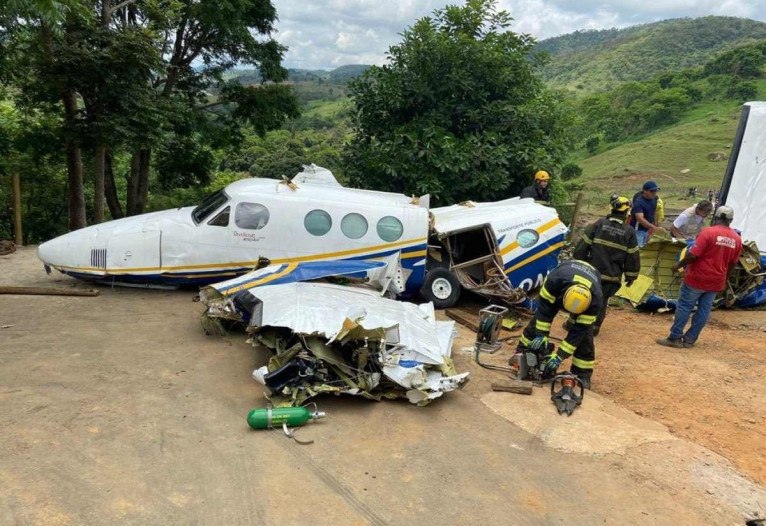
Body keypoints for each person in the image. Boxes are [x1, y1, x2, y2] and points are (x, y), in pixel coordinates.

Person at [657, 206, 742, 348]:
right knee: (704, 310)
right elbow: (733, 264)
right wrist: (725, 281)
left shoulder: (708, 232)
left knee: (685, 306)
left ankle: (675, 338)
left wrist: (678, 265)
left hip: (697, 278)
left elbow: (693, 255)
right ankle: (690, 340)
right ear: (731, 220)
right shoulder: (736, 239)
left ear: (716, 217)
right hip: (716, 281)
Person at [515, 259, 603, 388]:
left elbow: (578, 333)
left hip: (592, 276)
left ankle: (582, 374)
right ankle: (521, 354)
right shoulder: (553, 281)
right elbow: (544, 312)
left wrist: (559, 356)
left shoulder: (595, 301)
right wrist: (541, 335)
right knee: (537, 323)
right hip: (563, 277)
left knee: (585, 336)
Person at [572, 196, 640, 335]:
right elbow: (632, 256)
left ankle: (573, 323)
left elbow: (582, 247)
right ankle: (594, 327)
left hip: (591, 273)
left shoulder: (598, 224)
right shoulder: (629, 232)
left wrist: (579, 264)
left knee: (582, 295)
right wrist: (631, 276)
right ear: (627, 212)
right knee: (601, 301)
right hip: (611, 276)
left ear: (611, 209)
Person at [629, 180, 660, 247]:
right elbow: (640, 219)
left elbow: (654, 212)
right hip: (638, 230)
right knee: (639, 251)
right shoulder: (639, 202)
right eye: (651, 191)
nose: (654, 193)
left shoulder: (654, 199)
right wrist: (653, 227)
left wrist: (656, 226)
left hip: (648, 229)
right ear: (645, 191)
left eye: (655, 191)